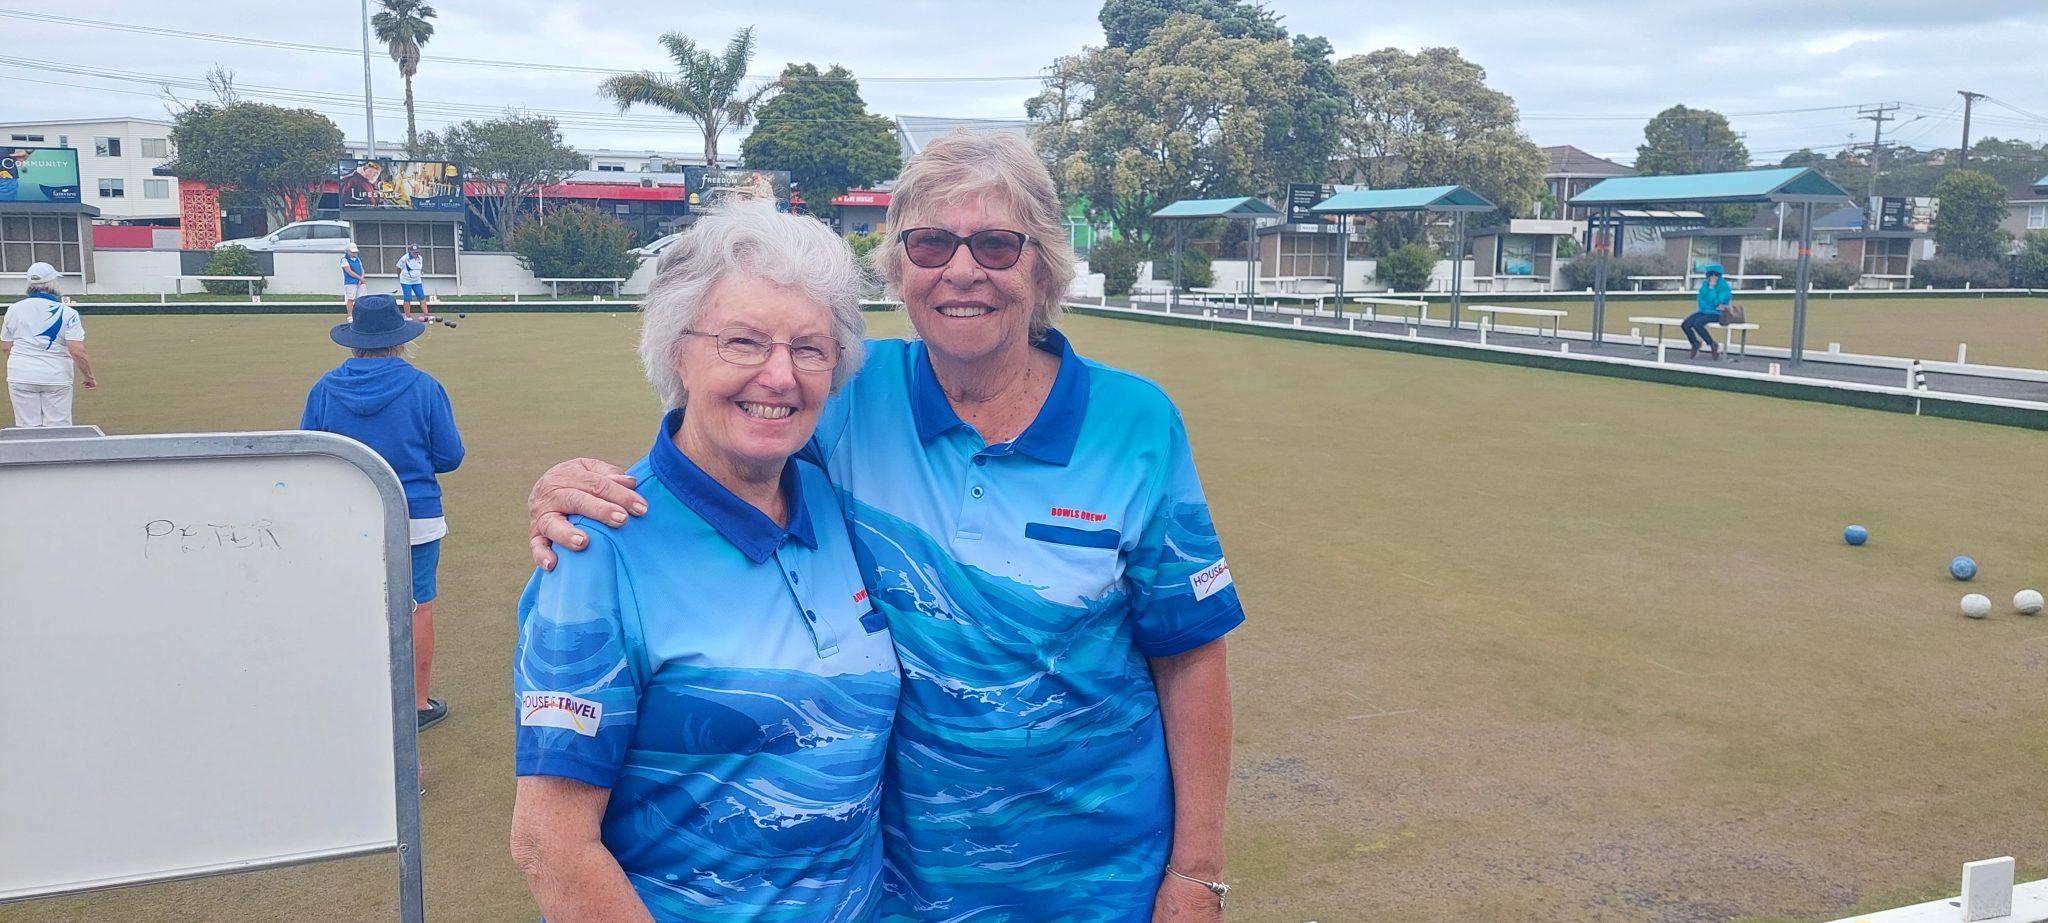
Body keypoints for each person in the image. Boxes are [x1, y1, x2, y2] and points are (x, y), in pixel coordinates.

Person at [528, 131, 1244, 922]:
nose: (962, 270)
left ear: (1042, 264)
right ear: (899, 266)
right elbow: (735, 424)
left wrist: (1198, 872)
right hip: (906, 894)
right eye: (932, 242)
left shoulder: (1137, 422)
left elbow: (1191, 655)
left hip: (1103, 885)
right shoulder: (849, 401)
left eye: (998, 244)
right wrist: (579, 489)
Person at [508, 204, 896, 921]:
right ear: (678, 352)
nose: (778, 375)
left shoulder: (838, 501)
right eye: (742, 341)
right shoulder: (599, 546)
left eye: (809, 348)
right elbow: (549, 846)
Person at [300, 294, 463, 731]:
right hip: (417, 514)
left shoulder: (324, 388)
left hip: (348, 515)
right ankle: (418, 704)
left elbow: (309, 453)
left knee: (355, 605)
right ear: (400, 339)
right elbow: (450, 456)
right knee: (417, 607)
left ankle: (356, 699)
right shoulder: (424, 386)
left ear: (353, 341)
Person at [2, 262, 95, 427]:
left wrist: (23, 365)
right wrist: (88, 376)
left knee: (27, 429)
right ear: (53, 283)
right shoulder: (68, 313)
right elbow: (77, 351)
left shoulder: (13, 310)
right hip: (56, 376)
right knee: (58, 429)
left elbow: (6, 347)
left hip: (21, 375)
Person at [1683, 264, 1732, 360]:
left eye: (1716, 275)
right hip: (1704, 311)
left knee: (1698, 324)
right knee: (1685, 324)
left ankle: (1712, 344)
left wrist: (1712, 289)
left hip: (1717, 313)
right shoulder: (1705, 285)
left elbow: (1718, 301)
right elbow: (1702, 299)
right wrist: (1713, 303)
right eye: (1711, 275)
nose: (1713, 277)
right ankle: (1695, 343)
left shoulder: (1724, 287)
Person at [395, 243, 426, 320]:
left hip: (417, 280)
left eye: (417, 252)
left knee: (421, 296)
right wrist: (399, 276)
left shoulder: (420, 258)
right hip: (406, 281)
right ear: (410, 251)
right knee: (407, 298)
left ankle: (426, 314)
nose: (415, 254)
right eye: (414, 252)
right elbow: (398, 267)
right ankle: (407, 316)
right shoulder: (405, 258)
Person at [342, 242, 366, 319]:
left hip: (360, 282)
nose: (354, 253)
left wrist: (362, 277)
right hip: (350, 282)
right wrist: (359, 278)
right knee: (351, 298)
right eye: (352, 252)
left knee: (361, 299)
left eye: (355, 252)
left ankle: (360, 314)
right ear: (348, 251)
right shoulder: (344, 260)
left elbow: (362, 269)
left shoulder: (358, 259)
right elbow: (349, 271)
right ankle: (350, 315)